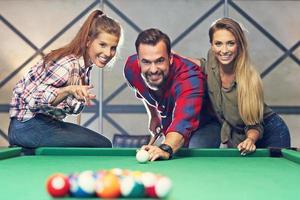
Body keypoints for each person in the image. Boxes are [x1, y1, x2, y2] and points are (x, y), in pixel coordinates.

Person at [8, 10, 122, 148]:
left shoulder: (83, 69)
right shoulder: (67, 63)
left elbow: (66, 107)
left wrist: (73, 94)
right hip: (27, 126)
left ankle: (32, 153)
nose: (108, 53)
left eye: (113, 48)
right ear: (88, 41)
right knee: (102, 144)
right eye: (102, 45)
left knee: (102, 143)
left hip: (45, 125)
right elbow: (35, 101)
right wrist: (69, 90)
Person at [191, 18, 291, 155]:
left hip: (269, 132)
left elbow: (254, 124)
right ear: (212, 45)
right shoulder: (212, 59)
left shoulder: (249, 80)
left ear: (239, 45)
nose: (224, 50)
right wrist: (170, 55)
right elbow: (200, 65)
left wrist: (250, 140)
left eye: (230, 43)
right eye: (218, 44)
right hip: (240, 133)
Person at [124, 28, 221, 161]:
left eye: (159, 61)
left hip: (205, 124)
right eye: (146, 62)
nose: (153, 70)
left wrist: (166, 148)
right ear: (138, 61)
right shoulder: (131, 69)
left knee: (192, 156)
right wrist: (154, 116)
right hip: (170, 121)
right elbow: (143, 92)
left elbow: (184, 120)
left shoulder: (190, 77)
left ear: (170, 58)